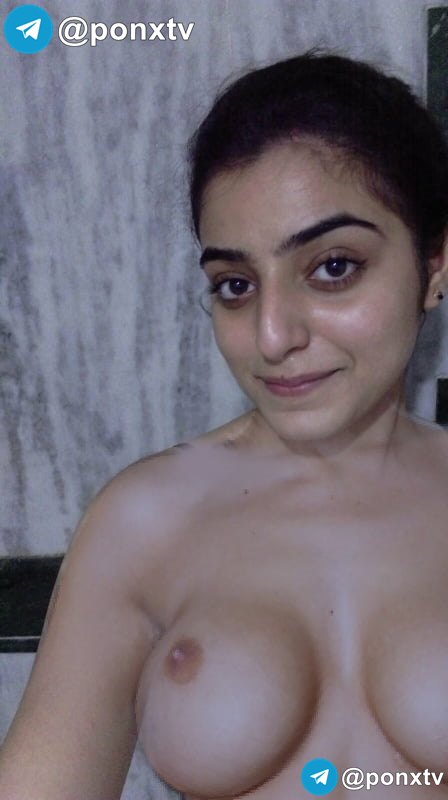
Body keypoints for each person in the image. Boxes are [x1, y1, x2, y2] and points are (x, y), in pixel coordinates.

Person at [1, 49, 448, 800]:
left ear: (434, 265)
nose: (272, 336)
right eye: (235, 285)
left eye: (333, 267)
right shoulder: (146, 520)